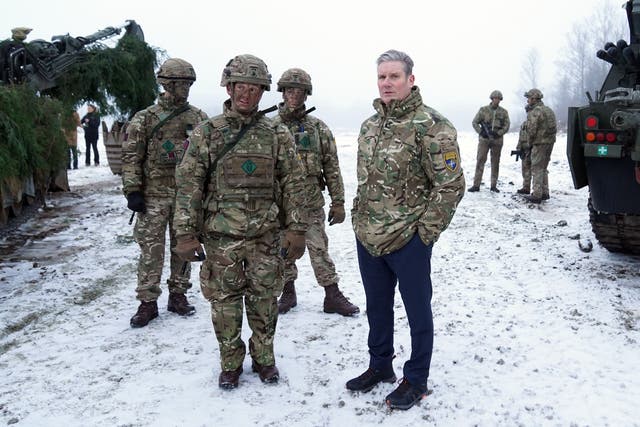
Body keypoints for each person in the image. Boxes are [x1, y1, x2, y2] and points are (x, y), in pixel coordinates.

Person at [172, 54, 308, 390]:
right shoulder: (207, 133)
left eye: (255, 88)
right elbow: (189, 184)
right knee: (225, 305)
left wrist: (297, 229)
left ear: (263, 91)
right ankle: (230, 362)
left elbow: (293, 182)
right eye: (240, 87)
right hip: (221, 238)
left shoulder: (277, 134)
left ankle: (264, 359)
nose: (247, 95)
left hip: (265, 237)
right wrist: (186, 234)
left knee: (264, 301)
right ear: (229, 88)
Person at [346, 50, 465, 410]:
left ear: (410, 80)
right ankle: (380, 365)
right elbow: (366, 181)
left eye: (394, 76)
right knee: (377, 307)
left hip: (408, 238)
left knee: (417, 310)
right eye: (382, 77)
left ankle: (416, 379)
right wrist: (357, 216)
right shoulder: (370, 125)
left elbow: (450, 185)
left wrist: (424, 233)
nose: (387, 83)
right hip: (369, 236)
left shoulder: (432, 125)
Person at [121, 58, 208, 328]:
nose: (186, 89)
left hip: (186, 196)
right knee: (151, 250)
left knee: (184, 246)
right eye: (181, 83)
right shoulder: (145, 119)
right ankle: (148, 302)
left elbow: (208, 158)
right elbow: (131, 157)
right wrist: (133, 190)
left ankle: (178, 295)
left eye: (188, 83)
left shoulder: (198, 118)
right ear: (167, 84)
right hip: (153, 196)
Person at [273, 68, 359, 317]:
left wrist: (339, 202)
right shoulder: (270, 127)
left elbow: (331, 166)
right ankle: (287, 291)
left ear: (306, 94)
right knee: (283, 248)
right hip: (279, 202)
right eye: (289, 90)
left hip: (310, 201)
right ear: (282, 92)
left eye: (299, 91)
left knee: (319, 247)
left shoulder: (318, 129)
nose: (294, 96)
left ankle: (332, 294)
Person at [469, 90, 510, 192]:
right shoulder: (483, 110)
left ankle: (493, 185)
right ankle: (476, 185)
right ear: (492, 99)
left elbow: (507, 125)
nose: (497, 100)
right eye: (495, 98)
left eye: (499, 99)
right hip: (484, 139)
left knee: (495, 162)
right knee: (480, 160)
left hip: (497, 140)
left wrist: (499, 133)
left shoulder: (504, 112)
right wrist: (481, 132)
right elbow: (475, 122)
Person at [522, 88, 557, 203]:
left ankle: (537, 194)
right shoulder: (549, 110)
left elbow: (531, 131)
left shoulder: (535, 112)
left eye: (528, 98)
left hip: (539, 143)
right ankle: (545, 192)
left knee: (536, 167)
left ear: (533, 99)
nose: (527, 101)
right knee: (543, 168)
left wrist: (528, 144)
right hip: (550, 142)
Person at [515, 114, 532, 195]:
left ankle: (542, 191)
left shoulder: (535, 124)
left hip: (533, 149)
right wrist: (519, 147)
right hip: (524, 149)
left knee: (537, 170)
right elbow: (520, 138)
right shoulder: (523, 124)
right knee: (525, 169)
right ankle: (526, 187)